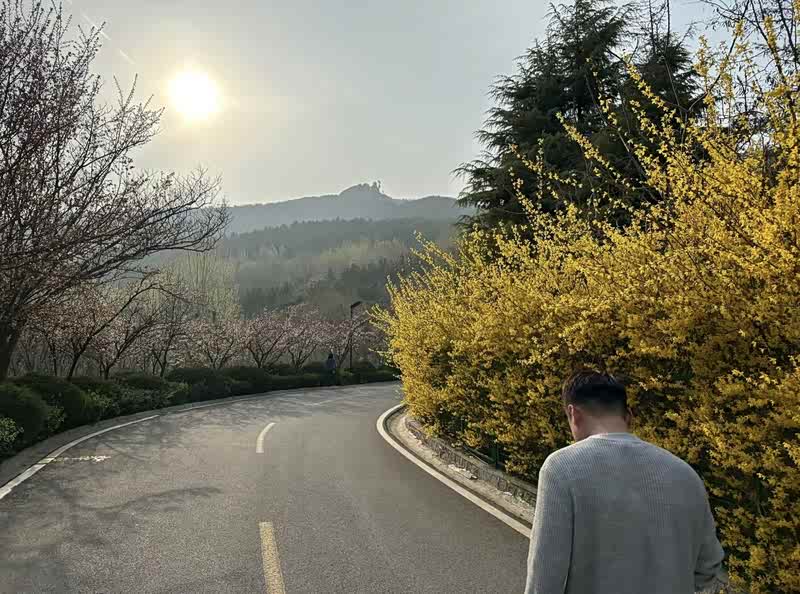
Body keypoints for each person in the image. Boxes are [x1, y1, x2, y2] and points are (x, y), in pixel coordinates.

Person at [524, 370, 727, 594]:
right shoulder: (685, 474)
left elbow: (545, 577)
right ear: (628, 416)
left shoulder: (562, 468)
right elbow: (708, 567)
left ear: (573, 414)